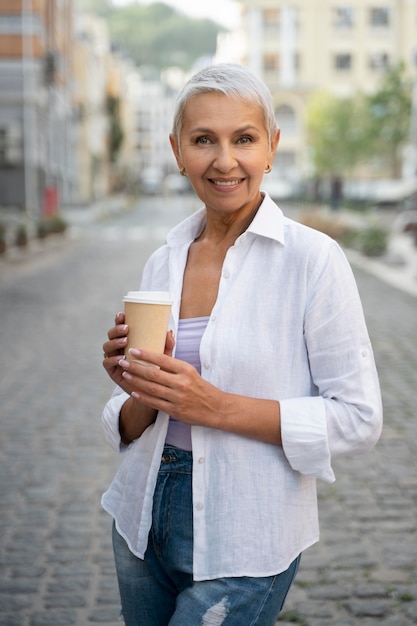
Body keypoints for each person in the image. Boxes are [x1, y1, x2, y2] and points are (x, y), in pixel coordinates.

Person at [101, 64, 382, 626]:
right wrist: (140, 389)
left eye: (244, 139)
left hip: (248, 531)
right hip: (140, 519)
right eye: (204, 139)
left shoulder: (313, 260)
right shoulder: (164, 258)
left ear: (272, 147)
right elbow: (134, 422)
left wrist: (213, 406)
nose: (224, 160)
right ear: (178, 150)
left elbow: (358, 418)